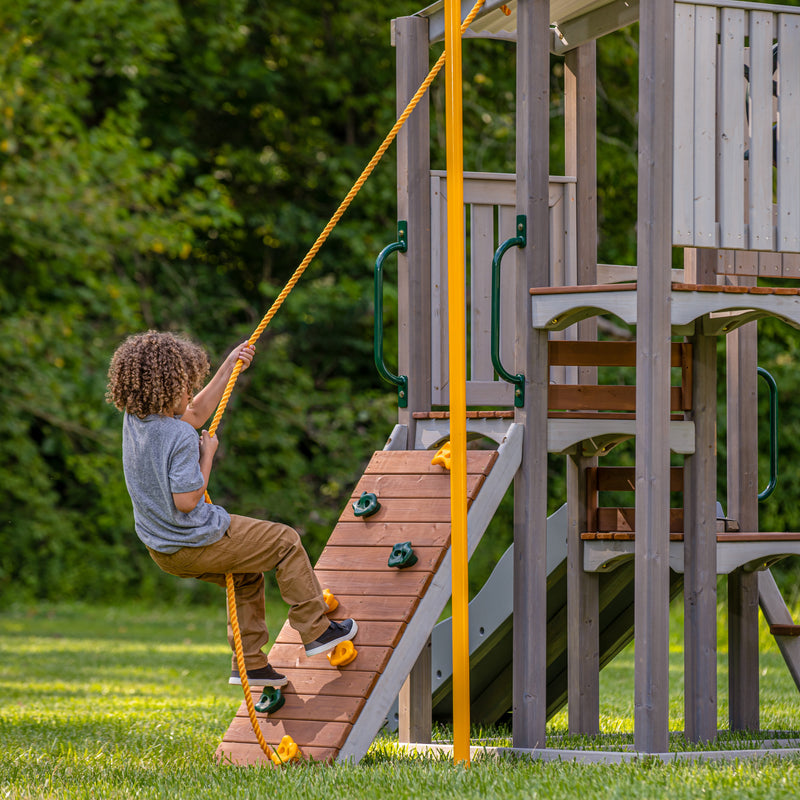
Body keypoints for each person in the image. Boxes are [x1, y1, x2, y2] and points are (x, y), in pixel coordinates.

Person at [106, 330, 356, 687]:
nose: (190, 393)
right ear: (166, 390)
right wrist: (207, 454)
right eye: (185, 385)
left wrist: (229, 366)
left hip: (162, 550)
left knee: (246, 573)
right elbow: (188, 499)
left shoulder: (136, 421)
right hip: (195, 539)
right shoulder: (179, 436)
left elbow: (193, 412)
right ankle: (318, 631)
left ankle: (250, 664)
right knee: (284, 541)